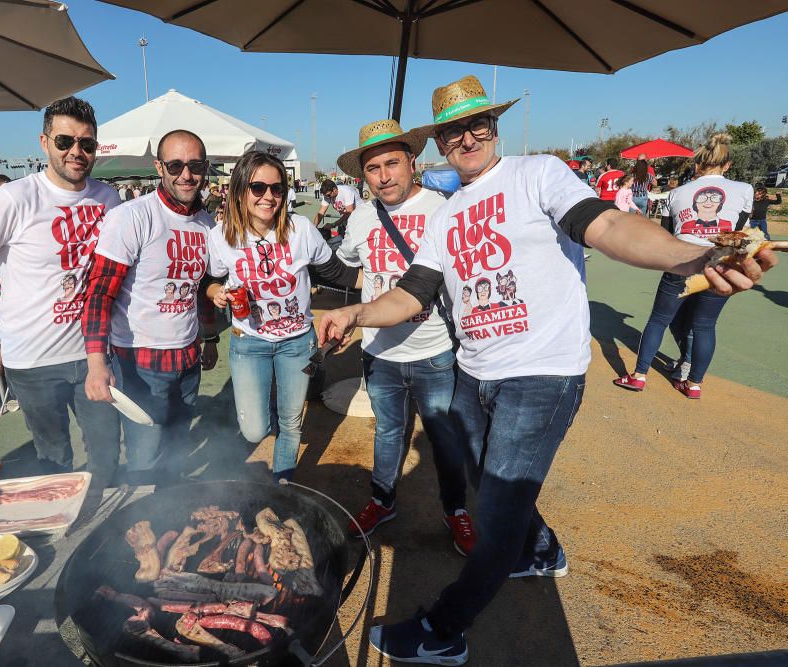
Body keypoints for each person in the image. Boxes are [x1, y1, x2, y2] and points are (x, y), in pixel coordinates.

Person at [316, 77, 775, 665]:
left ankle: (444, 630)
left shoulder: (538, 174)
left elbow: (608, 227)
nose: (467, 137)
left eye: (477, 123)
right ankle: (541, 549)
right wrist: (355, 312)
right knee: (484, 474)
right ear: (440, 142)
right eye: (454, 130)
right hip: (474, 372)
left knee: (497, 509)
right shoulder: (446, 214)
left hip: (542, 375)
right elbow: (411, 293)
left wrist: (695, 256)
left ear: (495, 126)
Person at [0, 96, 123, 487]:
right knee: (54, 457)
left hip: (93, 353)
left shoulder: (109, 198)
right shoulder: (14, 198)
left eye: (87, 143)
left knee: (107, 451)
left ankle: (110, 523)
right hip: (33, 359)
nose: (76, 151)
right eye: (65, 141)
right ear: (44, 143)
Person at [333, 118, 477, 553]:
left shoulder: (443, 208)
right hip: (379, 353)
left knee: (444, 437)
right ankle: (382, 500)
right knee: (389, 432)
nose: (384, 176)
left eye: (392, 163)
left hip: (434, 350)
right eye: (373, 169)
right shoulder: (360, 217)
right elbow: (350, 268)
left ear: (411, 162)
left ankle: (456, 510)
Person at [204, 151, 356, 484]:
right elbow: (211, 280)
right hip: (249, 343)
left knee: (291, 422)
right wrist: (216, 293)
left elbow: (336, 273)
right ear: (241, 189)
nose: (269, 196)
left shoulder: (300, 229)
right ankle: (270, 410)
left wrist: (385, 280)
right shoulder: (221, 235)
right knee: (255, 427)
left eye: (277, 189)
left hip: (297, 343)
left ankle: (282, 486)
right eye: (258, 188)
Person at [81, 129, 219, 486]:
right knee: (144, 453)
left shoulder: (206, 223)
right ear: (160, 167)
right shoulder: (132, 216)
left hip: (187, 359)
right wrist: (96, 363)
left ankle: (171, 509)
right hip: (140, 363)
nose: (186, 175)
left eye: (195, 165)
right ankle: (142, 519)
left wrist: (211, 338)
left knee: (177, 444)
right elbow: (98, 294)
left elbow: (201, 287)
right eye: (175, 165)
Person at [614, 133, 755, 399]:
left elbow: (667, 235)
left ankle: (639, 376)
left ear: (697, 165)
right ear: (727, 165)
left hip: (680, 261)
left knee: (659, 319)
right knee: (704, 325)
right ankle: (693, 384)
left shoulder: (676, 193)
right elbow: (736, 231)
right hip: (720, 261)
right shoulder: (745, 189)